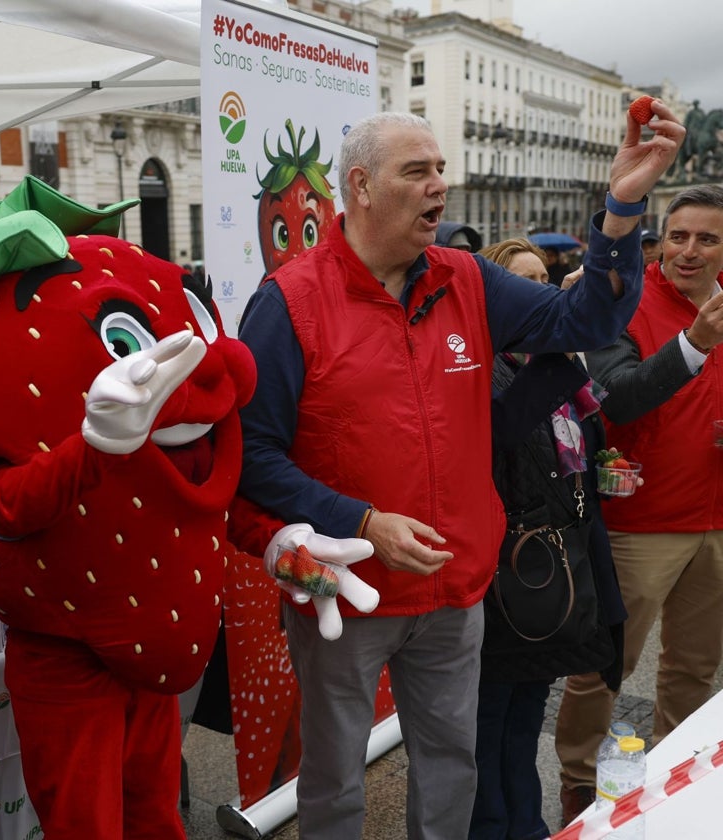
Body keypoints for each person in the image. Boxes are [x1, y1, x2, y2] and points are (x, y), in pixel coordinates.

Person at [232, 105, 682, 839]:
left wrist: (623, 208)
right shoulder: (288, 302)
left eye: (441, 169)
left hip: (456, 591)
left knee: (451, 767)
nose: (440, 185)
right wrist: (361, 522)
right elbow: (251, 456)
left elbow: (589, 326)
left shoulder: (466, 278)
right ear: (362, 186)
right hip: (348, 597)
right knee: (336, 776)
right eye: (418, 171)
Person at [554, 183, 723, 825]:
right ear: (659, 239)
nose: (689, 250)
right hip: (642, 518)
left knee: (695, 668)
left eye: (707, 238)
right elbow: (616, 396)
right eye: (678, 236)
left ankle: (682, 780)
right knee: (604, 663)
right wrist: (695, 344)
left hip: (717, 517)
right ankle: (576, 778)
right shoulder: (625, 300)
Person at [468, 238, 626, 840]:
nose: (540, 293)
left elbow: (577, 452)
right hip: (507, 579)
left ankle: (526, 826)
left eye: (545, 279)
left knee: (525, 717)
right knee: (489, 723)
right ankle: (493, 828)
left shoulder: (562, 368)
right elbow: (501, 445)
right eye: (524, 284)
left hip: (554, 575)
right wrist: (551, 362)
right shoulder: (488, 368)